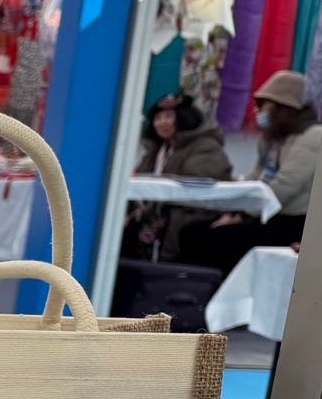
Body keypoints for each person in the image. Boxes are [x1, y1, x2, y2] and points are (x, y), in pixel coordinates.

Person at [183, 71, 321, 274]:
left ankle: (217, 288)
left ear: (284, 108)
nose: (259, 112)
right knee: (191, 231)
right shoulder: (272, 138)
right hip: (265, 213)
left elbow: (283, 188)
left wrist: (241, 214)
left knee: (217, 239)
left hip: (293, 220)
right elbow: (256, 177)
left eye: (265, 106)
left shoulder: (312, 137)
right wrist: (228, 200)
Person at [128, 93, 231, 258]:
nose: (162, 122)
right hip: (157, 214)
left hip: (189, 215)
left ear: (185, 118)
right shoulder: (157, 149)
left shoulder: (206, 146)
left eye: (168, 116)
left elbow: (195, 184)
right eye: (157, 118)